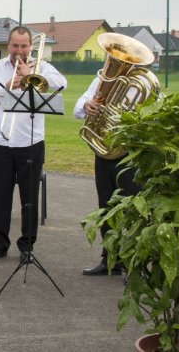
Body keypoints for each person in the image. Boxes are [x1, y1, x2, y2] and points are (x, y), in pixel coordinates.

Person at [0, 26, 67, 262]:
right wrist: (9, 85)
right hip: (2, 142)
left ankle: (27, 246)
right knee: (0, 196)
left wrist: (32, 74)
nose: (19, 51)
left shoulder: (42, 67)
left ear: (30, 47)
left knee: (29, 197)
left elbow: (62, 83)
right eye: (15, 46)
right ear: (8, 45)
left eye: (24, 46)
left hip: (31, 141)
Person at [74, 75, 139, 276]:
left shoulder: (143, 82)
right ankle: (110, 258)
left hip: (130, 154)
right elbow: (78, 107)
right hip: (103, 150)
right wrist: (87, 105)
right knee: (106, 207)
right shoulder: (103, 78)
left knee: (132, 209)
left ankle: (135, 265)